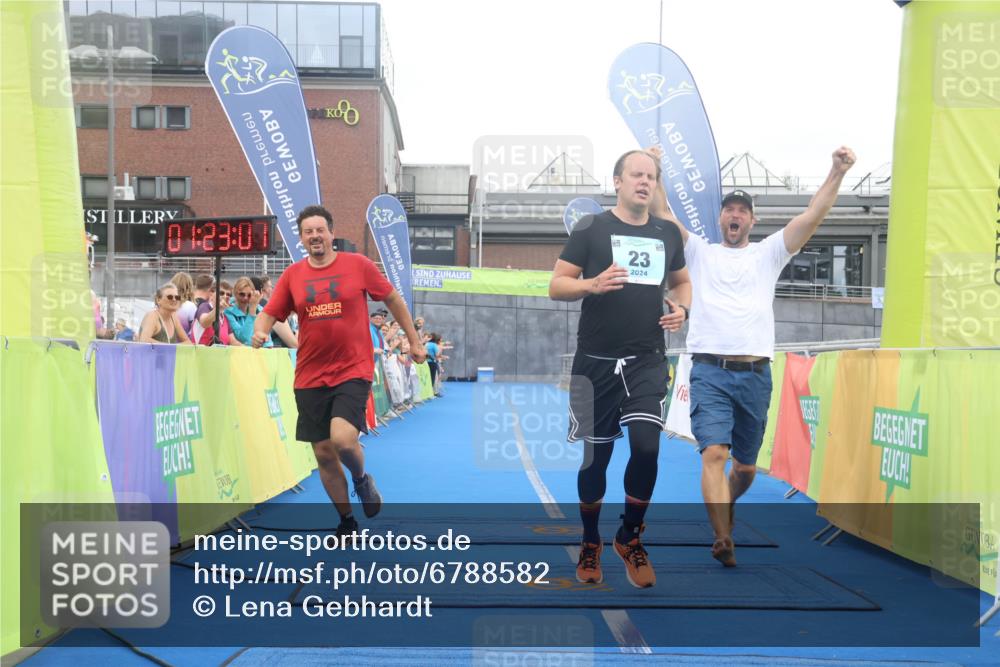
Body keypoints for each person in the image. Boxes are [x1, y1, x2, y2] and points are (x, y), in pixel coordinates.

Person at [651, 146, 856, 567]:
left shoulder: (769, 253)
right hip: (709, 370)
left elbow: (813, 215)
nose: (735, 215)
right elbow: (664, 213)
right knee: (714, 454)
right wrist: (655, 168)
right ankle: (723, 536)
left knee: (744, 469)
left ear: (752, 221)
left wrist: (836, 171)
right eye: (730, 210)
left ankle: (727, 505)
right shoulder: (700, 252)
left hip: (755, 375)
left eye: (742, 211)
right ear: (720, 219)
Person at [549, 149, 691, 589]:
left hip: (647, 358)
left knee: (647, 447)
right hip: (595, 363)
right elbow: (556, 285)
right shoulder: (591, 228)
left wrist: (681, 308)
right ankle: (591, 540)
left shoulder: (668, 233)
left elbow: (682, 282)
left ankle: (629, 536)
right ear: (617, 181)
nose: (644, 182)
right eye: (636, 175)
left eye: (651, 176)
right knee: (597, 459)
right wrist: (591, 284)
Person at [252, 205, 426, 536]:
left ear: (332, 233)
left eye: (320, 230)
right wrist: (260, 330)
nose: (315, 236)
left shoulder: (358, 265)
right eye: (308, 232)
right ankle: (346, 521)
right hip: (310, 375)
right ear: (301, 238)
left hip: (352, 368)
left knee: (344, 441)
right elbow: (269, 313)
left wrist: (415, 341)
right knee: (323, 453)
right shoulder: (293, 275)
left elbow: (393, 299)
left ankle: (361, 479)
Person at [225, 276, 268, 347]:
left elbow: (267, 341)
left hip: (258, 351)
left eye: (249, 295)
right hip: (238, 351)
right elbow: (243, 338)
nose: (245, 298)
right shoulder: (228, 312)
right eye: (242, 294)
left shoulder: (259, 310)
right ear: (235, 293)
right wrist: (252, 311)